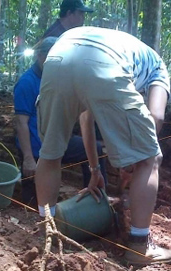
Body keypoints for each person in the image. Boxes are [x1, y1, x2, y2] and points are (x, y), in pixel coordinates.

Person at [35, 26, 171, 266]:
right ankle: (140, 247)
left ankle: (46, 233)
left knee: (50, 152)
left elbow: (86, 117)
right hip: (102, 61)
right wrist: (136, 160)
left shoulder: (125, 47)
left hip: (59, 55)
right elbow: (157, 118)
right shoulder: (158, 68)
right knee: (151, 159)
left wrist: (95, 171)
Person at [13, 37, 106, 205]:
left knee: (95, 149)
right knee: (32, 203)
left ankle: (96, 200)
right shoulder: (26, 83)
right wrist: (28, 158)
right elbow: (21, 123)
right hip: (36, 148)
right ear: (40, 56)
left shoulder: (60, 77)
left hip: (59, 140)